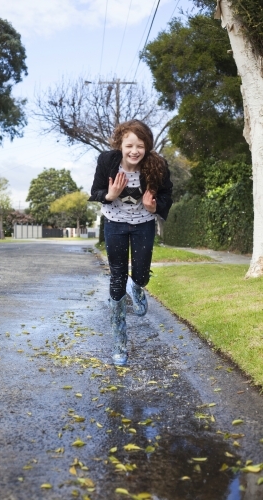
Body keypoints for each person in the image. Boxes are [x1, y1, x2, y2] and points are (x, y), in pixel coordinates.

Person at [89, 119, 173, 366]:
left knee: (141, 274)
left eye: (140, 145)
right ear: (120, 145)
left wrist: (154, 205)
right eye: (129, 145)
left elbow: (167, 193)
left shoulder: (157, 165)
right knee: (117, 276)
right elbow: (95, 191)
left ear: (147, 146)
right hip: (114, 223)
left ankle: (137, 288)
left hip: (143, 223)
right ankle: (119, 343)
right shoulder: (107, 161)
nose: (134, 151)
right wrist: (109, 195)